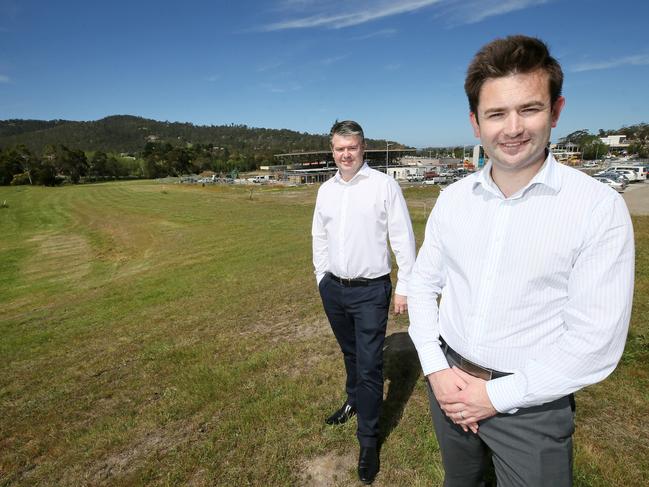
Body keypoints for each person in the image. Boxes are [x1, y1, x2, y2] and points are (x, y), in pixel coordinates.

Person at [408, 35, 635, 486]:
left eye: (529, 108)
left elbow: (596, 342)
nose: (512, 128)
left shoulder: (596, 207)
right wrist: (435, 369)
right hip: (449, 384)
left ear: (556, 110)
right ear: (475, 123)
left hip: (531, 404)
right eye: (496, 114)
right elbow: (421, 285)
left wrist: (494, 396)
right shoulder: (452, 199)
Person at [312, 120, 416, 484]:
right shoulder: (325, 190)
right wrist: (322, 278)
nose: (345, 154)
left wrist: (404, 284)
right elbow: (319, 235)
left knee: (371, 365)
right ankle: (353, 400)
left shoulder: (383, 186)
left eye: (351, 148)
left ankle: (368, 441)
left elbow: (403, 237)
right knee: (351, 354)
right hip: (334, 289)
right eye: (339, 149)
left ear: (363, 147)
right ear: (332, 150)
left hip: (371, 290)